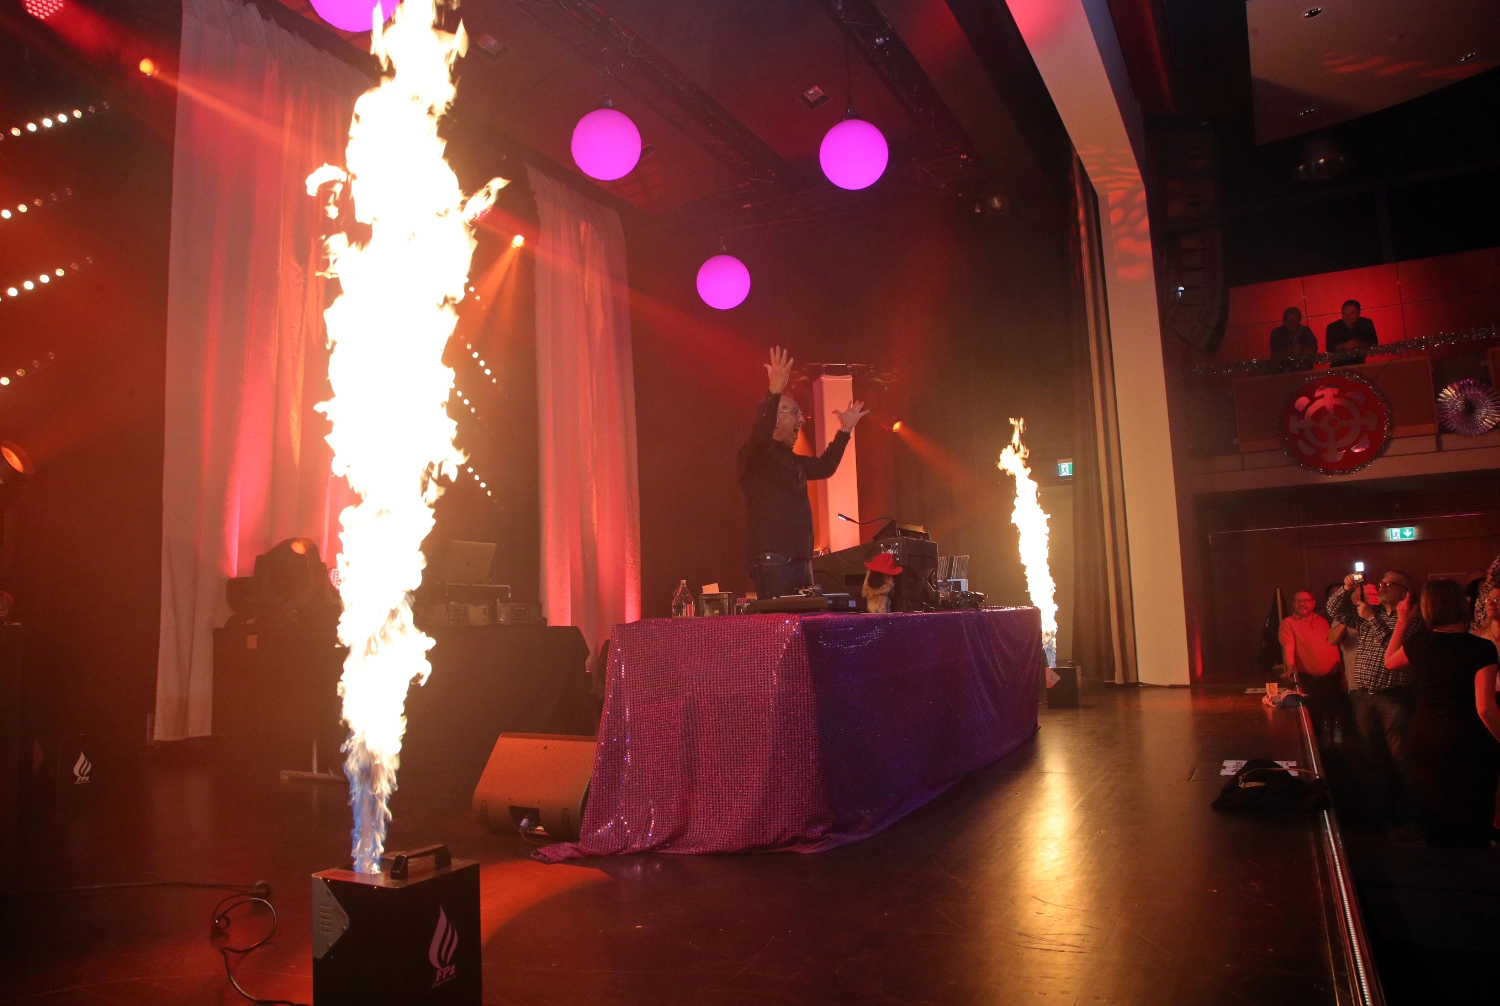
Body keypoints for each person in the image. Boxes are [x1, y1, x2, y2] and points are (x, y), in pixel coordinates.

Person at [739, 347, 868, 600]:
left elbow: (825, 467)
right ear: (775, 419)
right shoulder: (755, 456)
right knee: (782, 620)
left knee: (804, 619)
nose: (801, 420)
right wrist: (774, 391)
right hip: (773, 561)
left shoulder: (792, 461)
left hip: (801, 561)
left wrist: (845, 431)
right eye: (794, 413)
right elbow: (760, 434)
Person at [1385, 579, 1500, 848]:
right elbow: (1485, 707)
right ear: (1459, 604)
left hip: (1424, 737)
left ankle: (1441, 867)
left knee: (1437, 815)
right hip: (1467, 740)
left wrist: (1401, 623)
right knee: (1472, 815)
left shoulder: (1419, 642)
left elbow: (1389, 661)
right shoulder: (1481, 648)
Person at [1328, 570, 1424, 831]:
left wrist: (1372, 618)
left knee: (1401, 759)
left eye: (1389, 583)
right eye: (1380, 582)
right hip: (1364, 695)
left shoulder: (1413, 619)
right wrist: (1346, 589)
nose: (1382, 586)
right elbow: (1335, 611)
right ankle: (1381, 817)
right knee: (1372, 758)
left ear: (1405, 591)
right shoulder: (1373, 613)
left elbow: (1394, 648)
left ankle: (1410, 819)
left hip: (1394, 697)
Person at [1279, 589, 1348, 739]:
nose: (1302, 604)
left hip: (1333, 680)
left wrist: (1343, 674)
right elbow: (1288, 646)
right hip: (1310, 682)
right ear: (1293, 604)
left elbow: (1334, 649)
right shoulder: (1288, 623)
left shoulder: (1323, 621)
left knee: (1337, 720)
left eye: (1306, 600)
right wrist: (1290, 666)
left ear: (1313, 603)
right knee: (1316, 723)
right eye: (1298, 601)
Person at [1325, 299, 1378, 365]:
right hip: (1338, 367)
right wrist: (1344, 345)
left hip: (1360, 365)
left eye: (1352, 313)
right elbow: (1330, 348)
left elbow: (1374, 343)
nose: (1348, 317)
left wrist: (1359, 343)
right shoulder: (1332, 327)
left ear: (1359, 314)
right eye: (1345, 313)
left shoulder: (1366, 324)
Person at [1268, 307, 1318, 372]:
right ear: (1284, 321)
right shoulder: (1277, 333)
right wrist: (1290, 351)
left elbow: (1313, 350)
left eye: (1294, 321)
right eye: (1289, 320)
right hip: (1282, 372)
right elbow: (1275, 353)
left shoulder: (1306, 331)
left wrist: (1304, 352)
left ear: (1299, 321)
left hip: (1304, 370)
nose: (1292, 323)